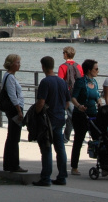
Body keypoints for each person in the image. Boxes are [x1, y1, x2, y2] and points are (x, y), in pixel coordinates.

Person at [33, 55, 69, 187]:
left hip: (48, 120)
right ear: (53, 66)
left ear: (43, 66)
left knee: (46, 148)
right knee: (60, 148)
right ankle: (62, 176)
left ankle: (46, 177)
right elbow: (67, 101)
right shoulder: (62, 81)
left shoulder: (45, 82)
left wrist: (36, 113)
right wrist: (60, 110)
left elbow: (41, 102)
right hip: (60, 118)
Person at [70, 59, 101, 176]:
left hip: (93, 114)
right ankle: (74, 166)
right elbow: (73, 97)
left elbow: (96, 96)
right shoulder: (80, 82)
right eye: (96, 69)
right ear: (89, 70)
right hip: (81, 115)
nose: (98, 71)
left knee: (98, 138)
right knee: (79, 140)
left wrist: (100, 102)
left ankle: (102, 163)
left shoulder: (95, 82)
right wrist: (78, 106)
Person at [2, 53, 27, 173]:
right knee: (14, 137)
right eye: (17, 62)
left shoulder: (8, 76)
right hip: (14, 110)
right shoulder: (10, 77)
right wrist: (19, 110)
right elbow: (13, 95)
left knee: (12, 136)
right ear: (11, 64)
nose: (19, 64)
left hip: (14, 109)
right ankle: (14, 164)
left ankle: (9, 164)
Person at [57, 46, 83, 142]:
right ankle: (69, 135)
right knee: (74, 115)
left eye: (63, 53)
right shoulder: (78, 66)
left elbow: (60, 82)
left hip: (67, 95)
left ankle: (66, 137)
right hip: (79, 94)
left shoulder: (62, 67)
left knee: (71, 115)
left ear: (66, 54)